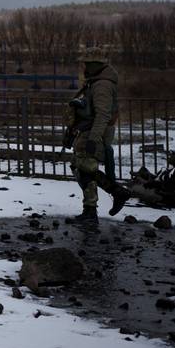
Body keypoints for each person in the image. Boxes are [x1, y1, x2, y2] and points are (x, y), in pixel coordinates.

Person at [67, 46, 130, 227]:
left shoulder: (102, 85)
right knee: (81, 168)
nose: (84, 67)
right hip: (88, 132)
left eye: (87, 63)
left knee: (85, 169)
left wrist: (93, 140)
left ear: (94, 65)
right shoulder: (96, 82)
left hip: (94, 133)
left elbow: (102, 115)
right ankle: (116, 192)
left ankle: (90, 211)